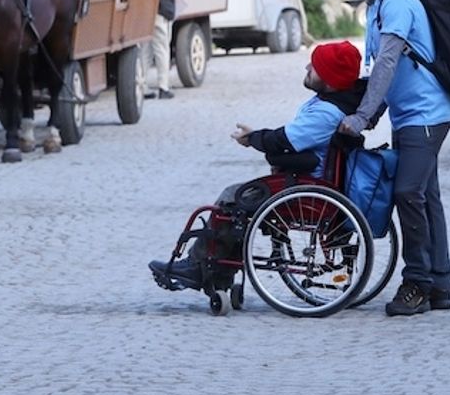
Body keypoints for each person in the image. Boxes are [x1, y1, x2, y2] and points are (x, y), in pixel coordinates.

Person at [148, 40, 364, 289]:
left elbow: (286, 139)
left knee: (232, 197)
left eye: (314, 67)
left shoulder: (326, 112)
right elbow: (290, 136)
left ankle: (201, 267)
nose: (307, 67)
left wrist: (253, 139)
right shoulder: (334, 104)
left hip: (308, 191)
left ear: (329, 80)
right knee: (241, 199)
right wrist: (259, 137)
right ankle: (217, 273)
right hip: (310, 181)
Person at [338, 0, 450, 317]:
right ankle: (440, 284)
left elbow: (387, 63)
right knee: (426, 195)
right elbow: (380, 73)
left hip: (426, 115)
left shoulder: (398, 2)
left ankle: (417, 283)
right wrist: (368, 116)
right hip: (408, 117)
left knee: (407, 193)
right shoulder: (372, 10)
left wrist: (361, 117)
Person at [127, 0, 185, 98]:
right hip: (159, 9)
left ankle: (142, 85)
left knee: (145, 50)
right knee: (161, 48)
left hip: (143, 11)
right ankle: (163, 86)